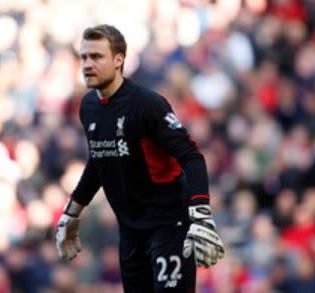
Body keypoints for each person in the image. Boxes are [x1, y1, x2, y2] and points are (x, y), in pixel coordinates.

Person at [55, 24, 225, 293]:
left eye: (97, 57)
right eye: (84, 57)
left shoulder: (147, 104)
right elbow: (100, 160)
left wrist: (201, 214)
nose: (87, 64)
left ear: (118, 60)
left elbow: (191, 157)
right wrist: (72, 212)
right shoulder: (88, 106)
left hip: (169, 224)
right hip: (131, 230)